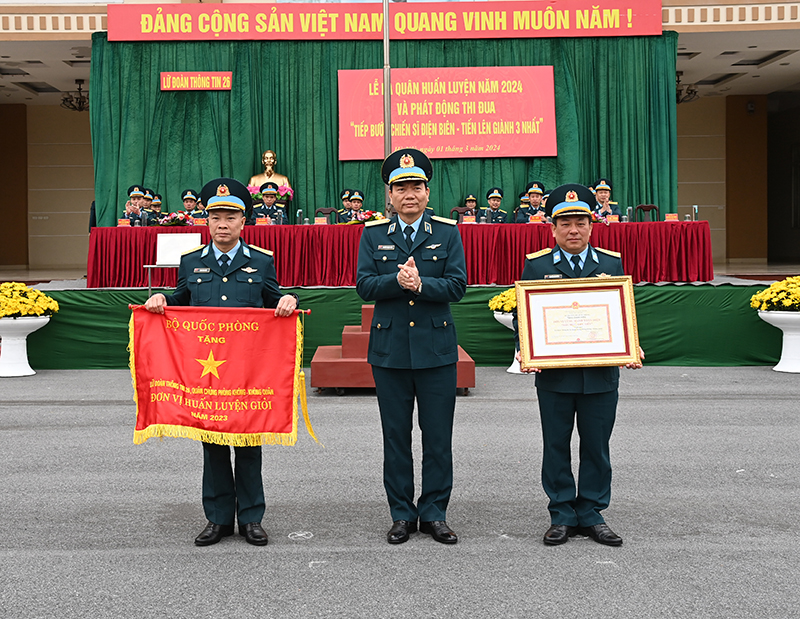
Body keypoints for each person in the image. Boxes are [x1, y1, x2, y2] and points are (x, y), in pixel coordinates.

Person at [143, 177, 299, 547]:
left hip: (246, 372)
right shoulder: (191, 262)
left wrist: (290, 298)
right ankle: (217, 519)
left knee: (248, 443)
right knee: (212, 444)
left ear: (244, 221)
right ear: (207, 221)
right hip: (206, 371)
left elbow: (275, 296)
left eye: (231, 216)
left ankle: (251, 518)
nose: (223, 223)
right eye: (216, 216)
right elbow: (182, 297)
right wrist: (163, 297)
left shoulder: (260, 262)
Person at [514, 183, 643, 548]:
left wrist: (632, 345)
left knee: (597, 446)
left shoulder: (610, 263)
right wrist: (525, 348)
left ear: (592, 224)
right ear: (552, 228)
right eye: (565, 223)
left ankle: (591, 512)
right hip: (555, 376)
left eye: (580, 222)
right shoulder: (537, 264)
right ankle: (562, 514)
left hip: (601, 375)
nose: (573, 230)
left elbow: (624, 312)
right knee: (555, 445)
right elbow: (525, 314)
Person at [356, 149, 466, 545]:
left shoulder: (447, 233)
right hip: (390, 352)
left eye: (416, 186)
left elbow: (457, 286)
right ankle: (402, 514)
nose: (409, 194)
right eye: (400, 187)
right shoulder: (372, 235)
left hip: (436, 351)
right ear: (389, 194)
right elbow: (364, 285)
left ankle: (435, 513)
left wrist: (421, 286)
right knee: (395, 438)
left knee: (437, 438)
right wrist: (396, 282)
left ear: (427, 191)